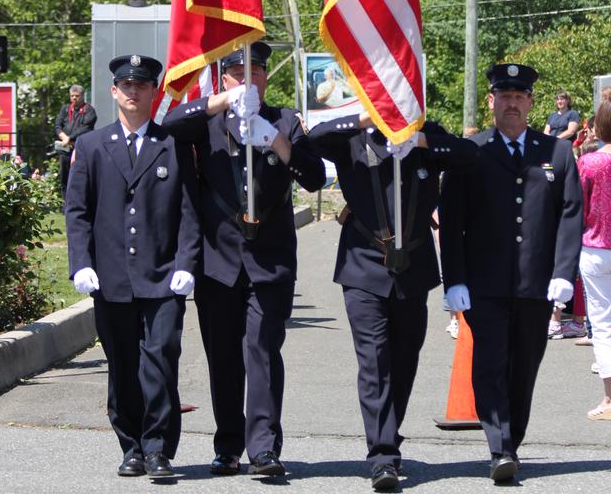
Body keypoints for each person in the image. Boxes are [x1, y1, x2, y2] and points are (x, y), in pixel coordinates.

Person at [162, 41, 326, 478]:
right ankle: (228, 444)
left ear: (266, 78)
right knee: (223, 357)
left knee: (263, 350)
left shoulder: (285, 120)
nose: (248, 79)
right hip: (218, 260)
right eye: (238, 73)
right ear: (224, 77)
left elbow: (314, 176)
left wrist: (275, 141)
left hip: (269, 258)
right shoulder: (208, 124)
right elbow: (170, 121)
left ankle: (264, 448)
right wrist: (221, 102)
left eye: (256, 72)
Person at [438, 63, 583, 484]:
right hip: (484, 283)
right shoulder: (473, 152)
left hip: (537, 284)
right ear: (492, 102)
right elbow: (452, 219)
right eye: (505, 97)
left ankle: (511, 441)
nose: (513, 104)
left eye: (520, 97)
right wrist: (456, 279)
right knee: (489, 364)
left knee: (524, 367)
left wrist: (563, 272)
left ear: (531, 103)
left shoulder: (555, 152)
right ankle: (500, 446)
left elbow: (571, 213)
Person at [65, 55, 200, 479]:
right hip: (110, 278)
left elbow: (190, 210)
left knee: (160, 359)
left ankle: (159, 447)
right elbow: (77, 212)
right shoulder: (91, 145)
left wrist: (186, 261)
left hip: (162, 277)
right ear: (113, 92)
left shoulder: (174, 144)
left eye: (141, 85)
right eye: (125, 85)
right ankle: (131, 446)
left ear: (153, 91)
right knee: (122, 363)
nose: (133, 92)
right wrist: (80, 264)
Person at [308, 111, 449, 492]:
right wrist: (362, 118)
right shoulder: (353, 139)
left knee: (404, 360)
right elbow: (317, 136)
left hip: (413, 266)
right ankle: (382, 454)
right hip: (363, 265)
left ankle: (389, 431)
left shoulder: (425, 135)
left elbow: (466, 155)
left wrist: (420, 141)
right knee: (374, 360)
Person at [577, 98, 611, 420]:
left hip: (597, 247)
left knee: (602, 326)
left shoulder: (589, 163)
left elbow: (577, 206)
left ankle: (610, 399)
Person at [54, 84, 97, 198]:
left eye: (77, 96)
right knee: (64, 178)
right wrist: (62, 135)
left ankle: (80, 202)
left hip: (80, 148)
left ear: (82, 96)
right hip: (65, 149)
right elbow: (58, 124)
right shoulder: (65, 109)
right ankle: (66, 205)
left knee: (80, 176)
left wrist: (70, 137)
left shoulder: (89, 110)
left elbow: (86, 127)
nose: (74, 98)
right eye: (72, 95)